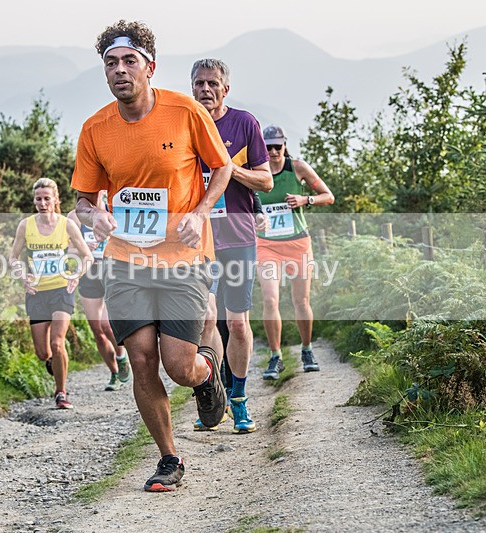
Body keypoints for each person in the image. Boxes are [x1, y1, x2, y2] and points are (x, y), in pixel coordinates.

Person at [72, 20, 232, 492]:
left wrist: (201, 212)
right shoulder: (95, 128)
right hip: (126, 260)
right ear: (104, 72)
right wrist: (92, 218)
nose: (120, 70)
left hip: (183, 256)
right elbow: (82, 199)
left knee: (178, 365)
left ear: (150, 67)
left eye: (129, 61)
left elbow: (221, 167)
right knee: (141, 359)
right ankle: (169, 458)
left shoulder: (184, 111)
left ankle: (206, 377)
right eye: (111, 64)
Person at [190, 59, 273, 434]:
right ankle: (214, 396)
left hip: (238, 235)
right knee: (207, 319)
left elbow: (267, 181)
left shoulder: (244, 124)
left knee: (236, 323)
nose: (205, 89)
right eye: (199, 83)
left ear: (225, 88)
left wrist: (228, 168)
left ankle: (239, 400)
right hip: (198, 239)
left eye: (212, 83)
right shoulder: (185, 123)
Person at [256, 125, 334, 379]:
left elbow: (328, 196)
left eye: (278, 146)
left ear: (285, 145)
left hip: (298, 242)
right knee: (270, 299)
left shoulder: (297, 168)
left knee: (301, 301)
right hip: (266, 244)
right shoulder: (257, 172)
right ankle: (275, 356)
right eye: (268, 147)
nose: (273, 151)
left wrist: (305, 200)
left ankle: (307, 349)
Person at [9, 178, 93, 409]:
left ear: (56, 199)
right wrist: (22, 276)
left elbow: (88, 256)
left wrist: (75, 276)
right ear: (34, 200)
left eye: (47, 198)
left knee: (57, 343)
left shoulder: (67, 225)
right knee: (42, 351)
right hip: (37, 292)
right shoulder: (26, 225)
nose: (43, 203)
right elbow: (14, 257)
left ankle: (61, 392)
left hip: (61, 289)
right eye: (39, 199)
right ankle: (53, 364)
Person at [67, 191, 132, 391]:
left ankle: (122, 358)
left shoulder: (115, 212)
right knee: (97, 331)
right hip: (89, 272)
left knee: (107, 325)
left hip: (112, 269)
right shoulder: (73, 217)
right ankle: (114, 372)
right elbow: (68, 248)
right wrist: (83, 247)